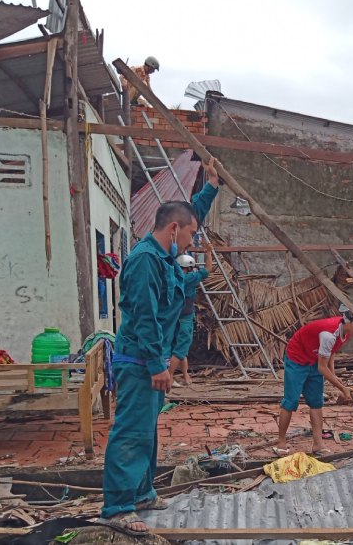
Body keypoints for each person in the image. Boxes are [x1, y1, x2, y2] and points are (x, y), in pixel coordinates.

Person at [99, 156, 222, 534]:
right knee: (132, 430)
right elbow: (144, 317)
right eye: (189, 235)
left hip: (150, 359)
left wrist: (212, 187)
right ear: (173, 230)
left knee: (147, 429)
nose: (192, 241)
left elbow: (190, 214)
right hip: (139, 360)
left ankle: (142, 493)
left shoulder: (165, 254)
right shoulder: (145, 262)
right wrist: (157, 365)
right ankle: (118, 506)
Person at [276, 305, 353, 456]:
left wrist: (334, 377)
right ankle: (281, 442)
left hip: (314, 359)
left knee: (316, 402)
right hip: (297, 358)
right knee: (290, 401)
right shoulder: (329, 334)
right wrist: (342, 388)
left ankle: (318, 444)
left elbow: (331, 352)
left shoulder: (345, 333)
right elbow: (322, 368)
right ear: (348, 321)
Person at [169, 244, 213, 387]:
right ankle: (169, 377)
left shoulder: (172, 277)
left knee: (181, 348)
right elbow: (207, 269)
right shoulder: (188, 278)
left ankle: (186, 377)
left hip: (174, 318)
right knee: (181, 349)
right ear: (187, 267)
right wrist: (208, 252)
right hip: (185, 318)